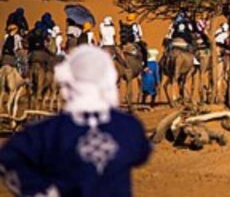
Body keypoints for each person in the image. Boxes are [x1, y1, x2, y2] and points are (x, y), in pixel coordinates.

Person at [0, 46, 150, 196]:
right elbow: (141, 153)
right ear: (109, 79)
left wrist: (39, 192)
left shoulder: (50, 130)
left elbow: (7, 160)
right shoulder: (129, 127)